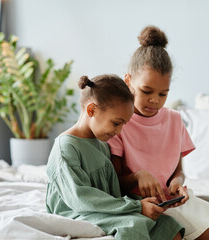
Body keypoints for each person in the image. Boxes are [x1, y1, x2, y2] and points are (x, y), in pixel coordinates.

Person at [108, 26, 209, 240]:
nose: (155, 100)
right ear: (128, 80)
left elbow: (178, 171)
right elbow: (114, 182)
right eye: (147, 91)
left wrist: (177, 183)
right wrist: (138, 176)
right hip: (149, 206)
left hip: (176, 199)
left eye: (163, 94)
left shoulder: (174, 119)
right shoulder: (120, 123)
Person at [46, 74, 184, 240]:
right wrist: (136, 207)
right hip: (76, 212)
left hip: (105, 210)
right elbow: (80, 198)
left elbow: (112, 191)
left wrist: (145, 203)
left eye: (123, 125)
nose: (118, 132)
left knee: (167, 225)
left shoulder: (102, 144)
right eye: (116, 123)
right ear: (92, 110)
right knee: (134, 224)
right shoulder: (66, 148)